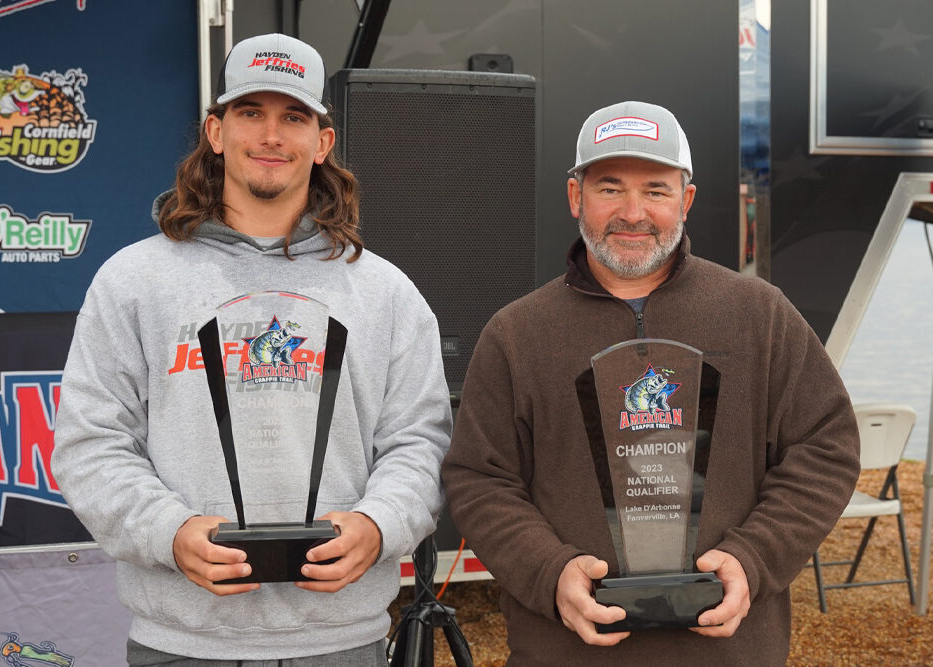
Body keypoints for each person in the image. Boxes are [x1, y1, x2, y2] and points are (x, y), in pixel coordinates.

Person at [52, 33, 451, 666]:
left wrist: (378, 526)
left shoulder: (385, 292)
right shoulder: (133, 281)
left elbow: (420, 442)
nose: (271, 135)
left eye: (294, 117)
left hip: (340, 643)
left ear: (322, 143)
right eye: (251, 112)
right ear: (216, 132)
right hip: (182, 644)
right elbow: (91, 442)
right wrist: (170, 533)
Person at [441, 100, 860, 665]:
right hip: (567, 654)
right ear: (576, 197)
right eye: (610, 188)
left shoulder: (759, 314)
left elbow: (826, 447)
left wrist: (754, 558)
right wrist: (551, 571)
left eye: (656, 190)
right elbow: (479, 478)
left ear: (686, 200)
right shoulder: (517, 333)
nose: (633, 213)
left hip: (728, 654)